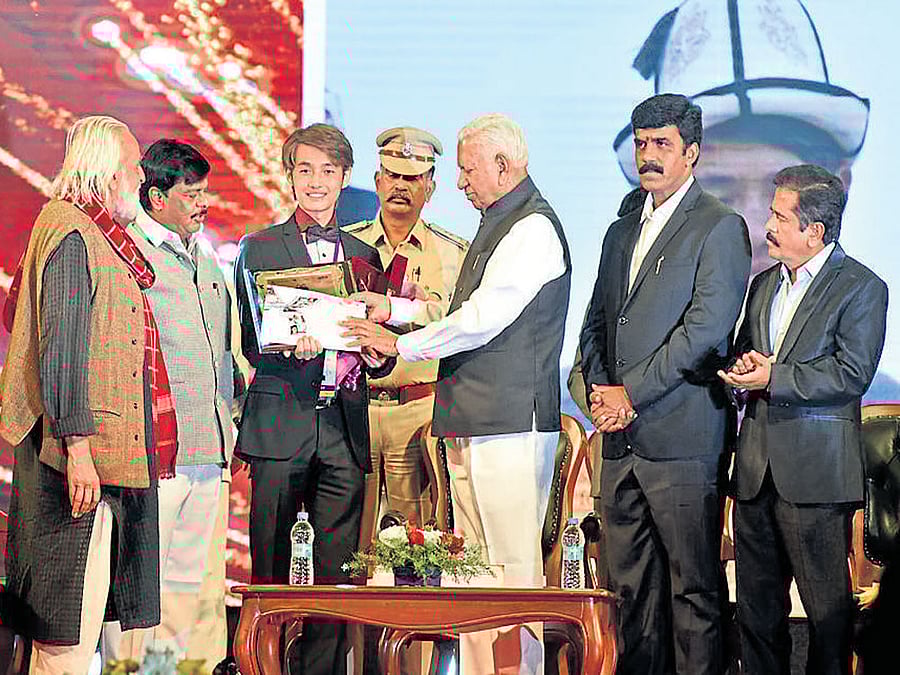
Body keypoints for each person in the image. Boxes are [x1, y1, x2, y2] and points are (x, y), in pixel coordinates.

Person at [345, 113, 570, 674]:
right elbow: (458, 310)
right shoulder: (499, 221)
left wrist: (400, 346)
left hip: (510, 424)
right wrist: (393, 309)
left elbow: (481, 319)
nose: (461, 182)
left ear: (504, 166)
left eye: (469, 171)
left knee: (510, 569)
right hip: (475, 419)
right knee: (471, 569)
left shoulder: (531, 228)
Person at [579, 93, 751, 675]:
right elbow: (598, 323)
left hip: (684, 440)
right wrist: (600, 395)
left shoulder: (719, 225)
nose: (648, 155)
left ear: (692, 153)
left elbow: (705, 329)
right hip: (621, 441)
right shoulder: (619, 231)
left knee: (692, 592)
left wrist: (631, 394)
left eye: (662, 144)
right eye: (641, 144)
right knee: (630, 593)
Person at [0, 115, 162, 674]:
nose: (141, 178)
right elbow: (63, 352)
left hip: (88, 458)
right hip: (70, 464)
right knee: (64, 633)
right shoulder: (73, 233)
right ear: (109, 172)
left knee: (76, 625)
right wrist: (79, 449)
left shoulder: (89, 231)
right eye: (134, 166)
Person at [233, 123, 392, 675]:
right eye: (305, 170)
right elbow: (252, 337)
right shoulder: (257, 247)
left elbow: (380, 346)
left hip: (343, 428)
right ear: (290, 176)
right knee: (270, 569)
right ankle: (265, 667)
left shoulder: (365, 255)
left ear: (345, 178)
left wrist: (375, 353)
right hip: (281, 419)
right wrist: (284, 343)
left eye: (328, 170)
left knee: (337, 574)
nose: (316, 182)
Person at [718, 164, 888, 675]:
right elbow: (747, 350)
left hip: (815, 479)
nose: (767, 225)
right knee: (756, 616)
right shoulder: (764, 283)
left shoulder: (861, 287)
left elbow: (851, 373)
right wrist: (743, 369)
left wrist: (774, 376)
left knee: (826, 619)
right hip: (755, 473)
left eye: (778, 216)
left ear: (814, 231)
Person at [100, 139, 241, 667]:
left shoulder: (205, 256)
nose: (204, 203)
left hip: (209, 452)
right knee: (137, 585)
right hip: (154, 453)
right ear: (156, 197)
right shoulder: (128, 252)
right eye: (192, 193)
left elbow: (223, 353)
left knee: (189, 589)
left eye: (205, 192)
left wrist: (232, 424)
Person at [343, 126, 468, 547]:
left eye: (412, 178)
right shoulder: (346, 245)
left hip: (419, 412)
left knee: (415, 542)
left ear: (430, 187)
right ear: (377, 181)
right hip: (354, 409)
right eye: (393, 175)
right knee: (348, 539)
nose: (400, 186)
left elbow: (462, 325)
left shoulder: (455, 254)